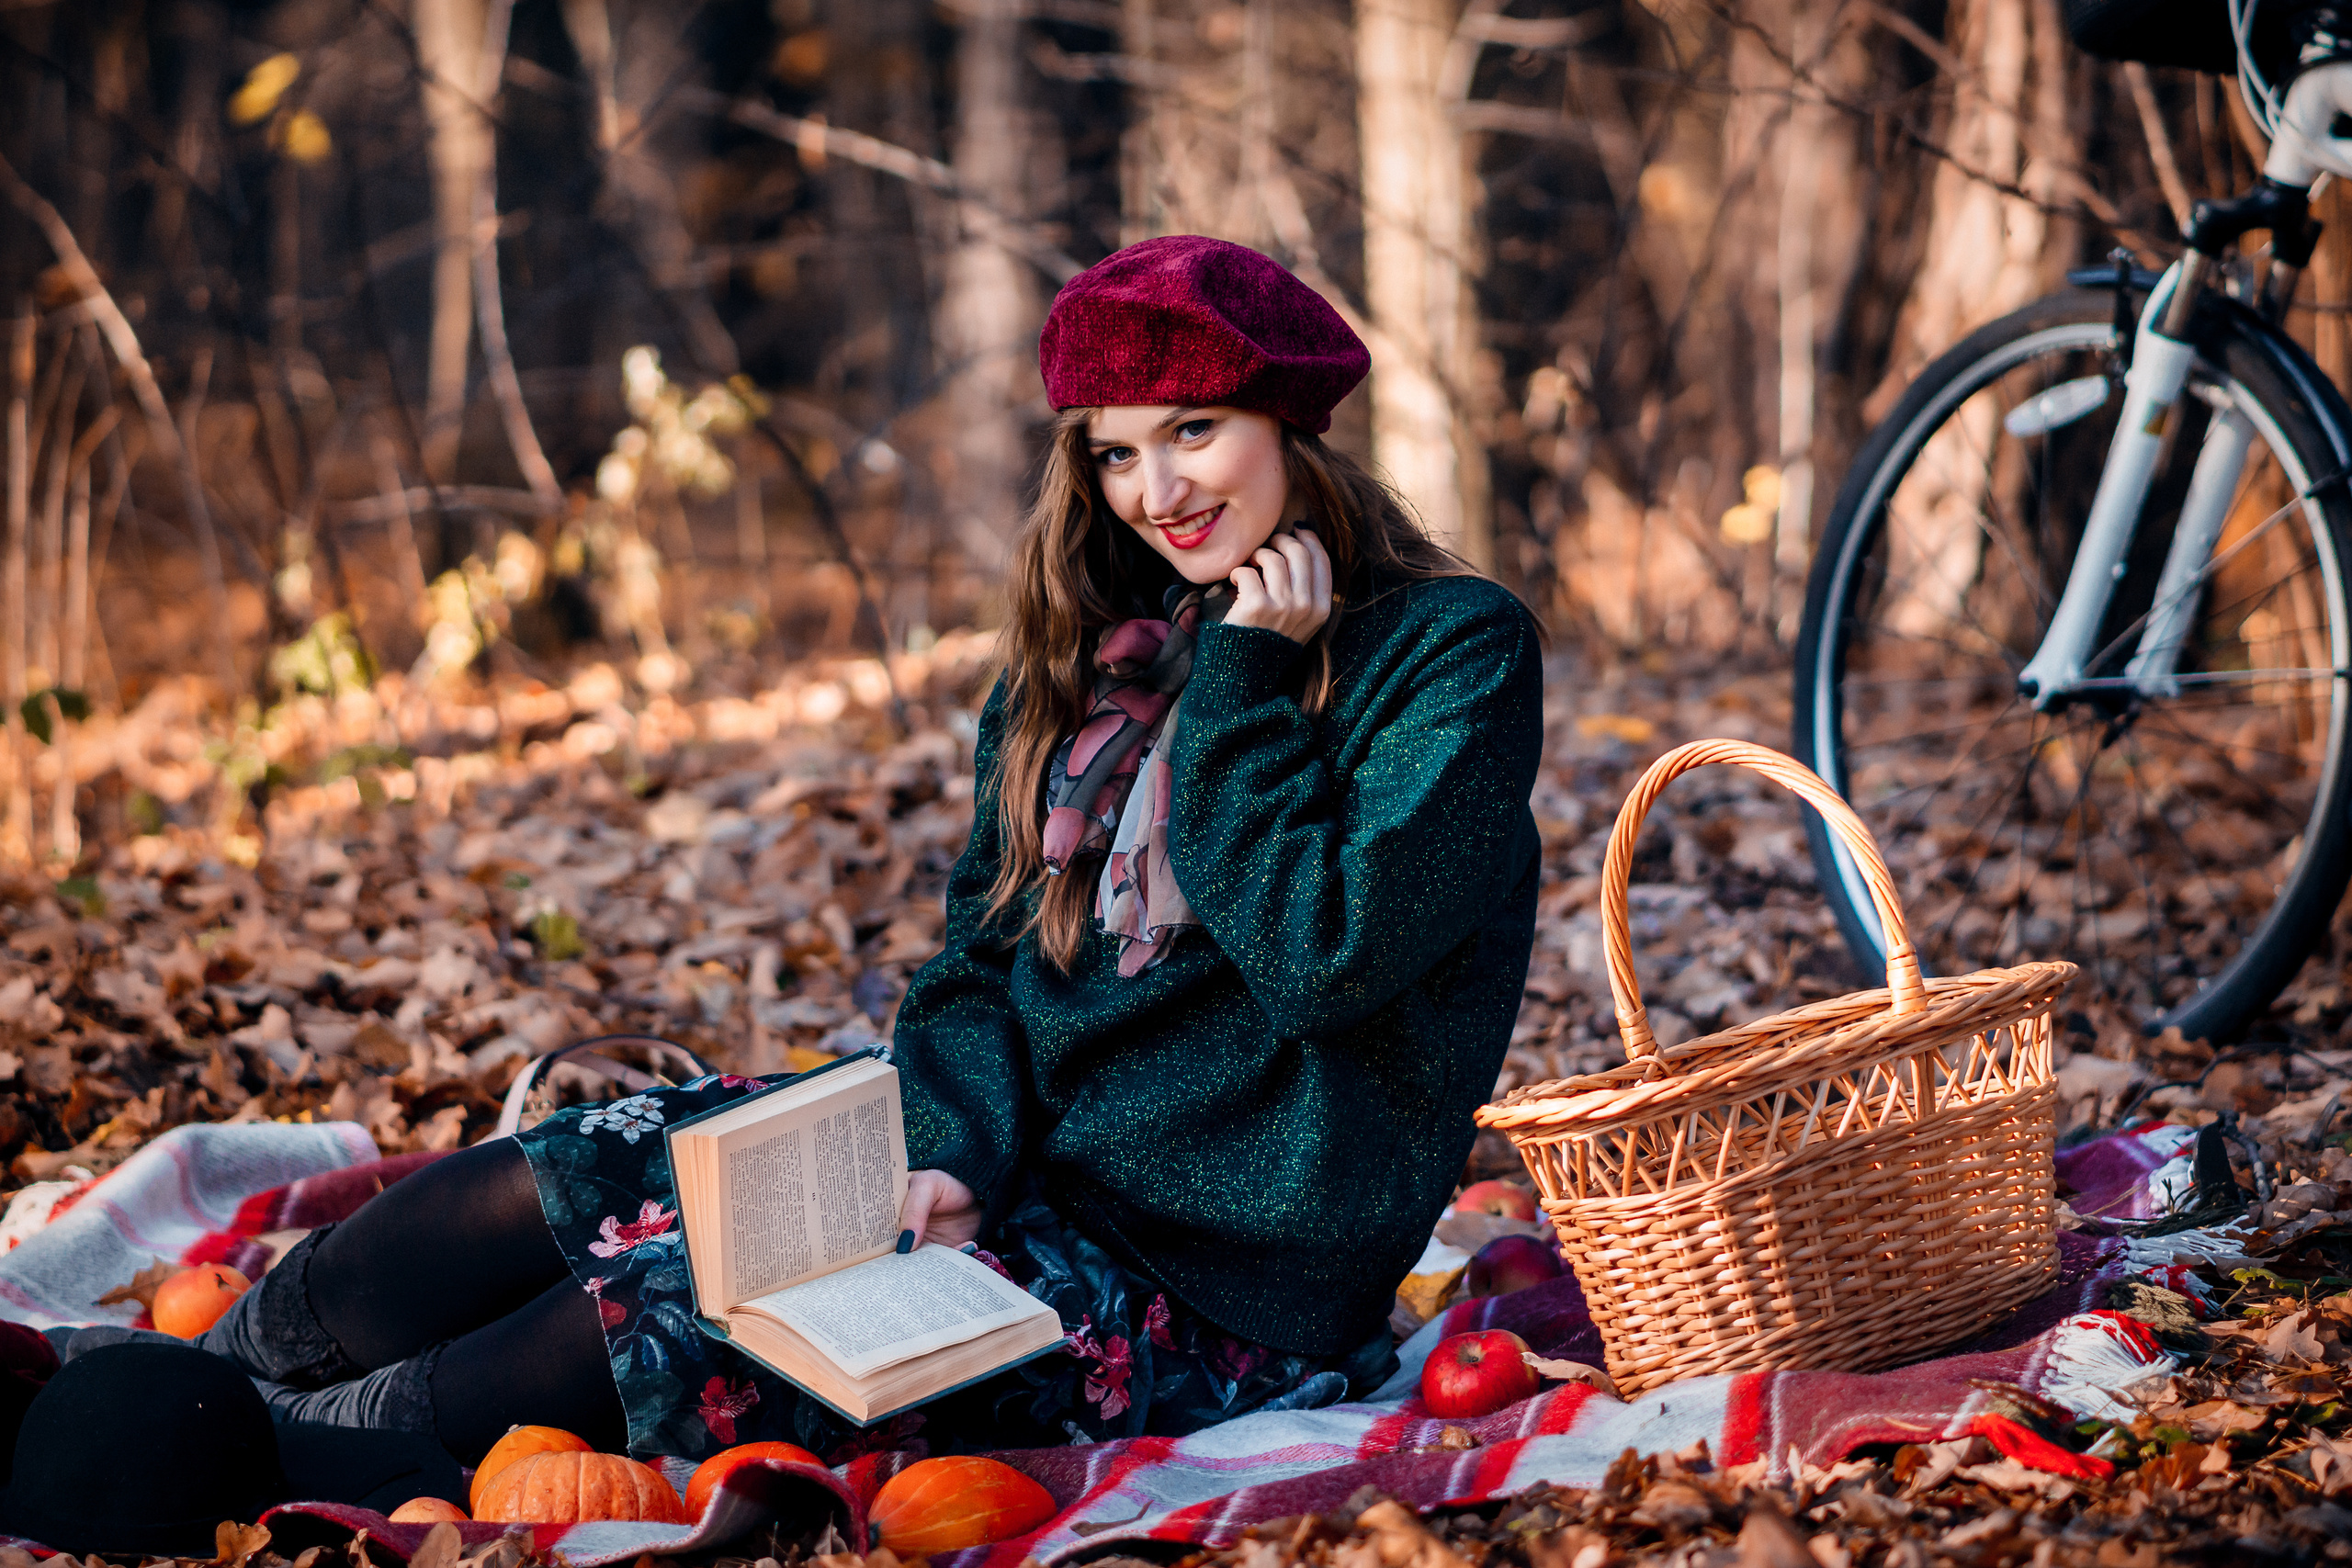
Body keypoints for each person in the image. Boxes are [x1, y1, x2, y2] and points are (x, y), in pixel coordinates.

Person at [192, 234, 1547, 1465]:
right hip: (1007, 1160)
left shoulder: (1450, 653)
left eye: (1193, 430)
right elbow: (980, 964)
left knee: (665, 1323)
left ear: (1291, 424)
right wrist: (951, 1146)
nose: (1155, 490)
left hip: (1217, 1280)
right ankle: (205, 1370)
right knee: (565, 1171)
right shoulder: (1110, 651)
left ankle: (273, 1461)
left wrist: (1248, 684)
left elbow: (1326, 958)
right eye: (1115, 451)